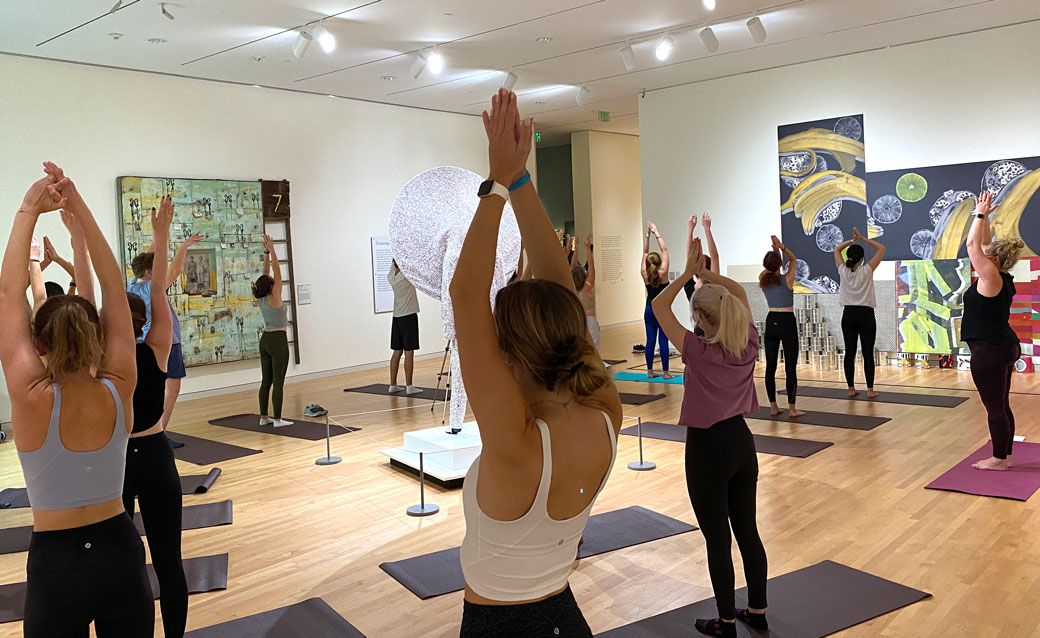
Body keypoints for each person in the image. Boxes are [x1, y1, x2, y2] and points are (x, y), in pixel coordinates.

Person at [452, 89, 623, 637]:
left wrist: (501, 184)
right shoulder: (604, 410)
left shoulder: (516, 443)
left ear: (511, 352)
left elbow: (463, 293)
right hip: (564, 618)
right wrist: (516, 181)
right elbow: (556, 287)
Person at [0, 162, 153, 636]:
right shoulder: (118, 383)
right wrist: (78, 206)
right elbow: (112, 287)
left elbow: (8, 293)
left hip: (57, 563)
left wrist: (30, 208)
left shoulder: (30, 396)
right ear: (96, 335)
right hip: (120, 553)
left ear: (38, 344)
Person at [652, 236, 768, 638]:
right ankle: (757, 608)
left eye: (697, 316)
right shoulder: (748, 341)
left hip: (707, 448)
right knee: (747, 531)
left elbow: (657, 306)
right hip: (741, 442)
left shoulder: (698, 351)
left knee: (717, 539)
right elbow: (735, 292)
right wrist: (707, 273)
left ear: (702, 318)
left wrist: (686, 272)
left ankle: (726, 621)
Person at [124, 195, 189, 637]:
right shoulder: (156, 351)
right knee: (169, 562)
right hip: (155, 455)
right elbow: (162, 290)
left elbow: (93, 293)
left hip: (117, 465)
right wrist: (162, 236)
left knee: (126, 563)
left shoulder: (106, 367)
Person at [962, 191, 1024, 471]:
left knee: (994, 406)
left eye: (989, 253)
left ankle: (999, 459)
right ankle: (1005, 454)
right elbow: (983, 242)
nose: (984, 251)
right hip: (1003, 345)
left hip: (990, 350)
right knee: (1001, 402)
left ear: (994, 260)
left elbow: (973, 243)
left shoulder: (990, 276)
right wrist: (985, 214)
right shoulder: (1000, 276)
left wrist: (981, 214)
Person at [128, 231, 203, 447]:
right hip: (167, 343)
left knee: (153, 388)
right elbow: (177, 270)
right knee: (172, 389)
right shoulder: (154, 288)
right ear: (152, 272)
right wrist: (185, 244)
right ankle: (159, 434)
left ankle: (152, 432)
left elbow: (150, 259)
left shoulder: (133, 285)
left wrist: (159, 234)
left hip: (142, 345)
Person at [834, 227, 885, 398]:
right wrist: (862, 238)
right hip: (865, 315)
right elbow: (881, 249)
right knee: (867, 352)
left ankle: (851, 388)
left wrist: (851, 241)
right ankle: (870, 390)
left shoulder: (843, 270)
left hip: (848, 315)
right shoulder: (866, 270)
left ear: (849, 257)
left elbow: (836, 249)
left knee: (849, 352)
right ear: (862, 258)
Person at [761, 236, 804, 418]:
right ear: (780, 264)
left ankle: (773, 406)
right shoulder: (788, 279)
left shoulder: (763, 278)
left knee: (770, 367)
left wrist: (776, 251)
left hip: (771, 321)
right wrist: (782, 247)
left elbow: (772, 268)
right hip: (787, 321)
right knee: (790, 367)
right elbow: (794, 259)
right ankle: (792, 409)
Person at [255, 234, 292, 427]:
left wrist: (266, 253)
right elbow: (277, 273)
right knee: (278, 382)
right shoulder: (274, 295)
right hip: (278, 340)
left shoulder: (261, 298)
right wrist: (274, 250)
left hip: (265, 340)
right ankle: (277, 419)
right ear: (271, 286)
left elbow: (265, 274)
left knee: (265, 381)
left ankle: (264, 417)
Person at [642, 220, 673, 378]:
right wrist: (656, 232)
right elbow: (665, 250)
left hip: (649, 309)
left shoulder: (645, 274)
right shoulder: (663, 273)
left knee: (650, 341)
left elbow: (645, 252)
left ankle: (649, 371)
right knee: (663, 340)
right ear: (659, 262)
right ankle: (666, 372)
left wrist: (646, 236)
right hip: (662, 310)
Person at [388, 259, 422, 395]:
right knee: (409, 352)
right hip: (408, 316)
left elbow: (395, 263)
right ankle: (409, 386)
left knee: (397, 352)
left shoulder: (391, 275)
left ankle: (392, 384)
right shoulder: (407, 275)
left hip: (397, 317)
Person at [684, 213, 720, 305]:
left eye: (701, 261)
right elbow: (690, 259)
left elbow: (715, 257)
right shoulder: (692, 284)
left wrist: (706, 229)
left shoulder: (712, 284)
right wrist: (691, 229)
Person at [571, 234, 600, 349]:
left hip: (578, 321)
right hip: (590, 322)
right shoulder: (587, 287)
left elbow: (572, 266)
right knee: (594, 350)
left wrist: (576, 248)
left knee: (582, 350)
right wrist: (587, 249)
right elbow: (591, 268)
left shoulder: (573, 289)